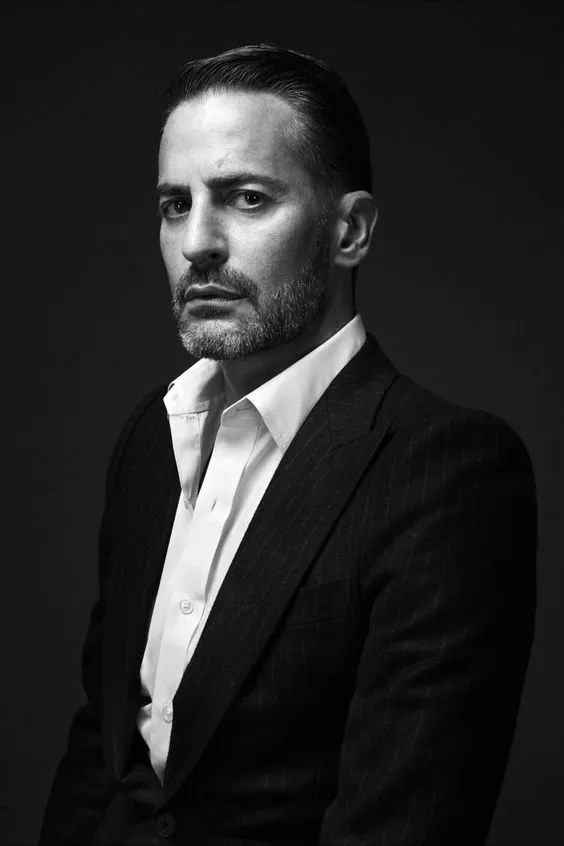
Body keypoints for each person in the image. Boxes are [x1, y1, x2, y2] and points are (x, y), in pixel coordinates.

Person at [39, 44, 536, 846]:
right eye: (175, 204)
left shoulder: (446, 471)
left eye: (246, 199)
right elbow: (104, 751)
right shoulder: (150, 439)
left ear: (350, 231)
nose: (197, 242)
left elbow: (402, 823)